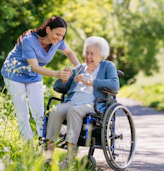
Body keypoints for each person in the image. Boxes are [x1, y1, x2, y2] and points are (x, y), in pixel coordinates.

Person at [1, 16, 80, 147]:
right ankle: (29, 149)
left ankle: (43, 146)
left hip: (33, 76)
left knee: (39, 113)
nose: (59, 38)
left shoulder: (58, 42)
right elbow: (35, 67)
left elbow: (69, 53)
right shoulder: (29, 40)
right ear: (48, 29)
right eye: (57, 34)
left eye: (62, 36)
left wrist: (80, 69)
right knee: (23, 113)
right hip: (14, 74)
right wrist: (58, 74)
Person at [45, 36, 119, 169]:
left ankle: (69, 158)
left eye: (92, 54)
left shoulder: (108, 66)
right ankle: (48, 158)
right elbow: (59, 87)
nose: (88, 56)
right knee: (55, 111)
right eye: (87, 53)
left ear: (101, 56)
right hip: (72, 101)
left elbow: (114, 85)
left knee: (74, 111)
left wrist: (89, 82)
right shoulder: (79, 68)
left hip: (92, 104)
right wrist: (64, 78)